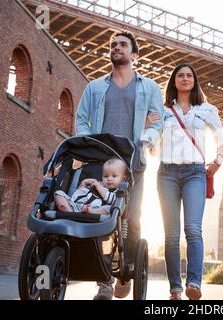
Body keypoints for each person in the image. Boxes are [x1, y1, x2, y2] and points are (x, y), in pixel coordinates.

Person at [75, 30, 164, 300]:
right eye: (113, 45)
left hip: (133, 162)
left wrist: (146, 140)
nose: (116, 48)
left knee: (132, 219)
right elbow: (81, 120)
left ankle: (128, 270)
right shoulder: (95, 87)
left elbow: (158, 120)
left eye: (123, 45)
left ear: (134, 55)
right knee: (99, 217)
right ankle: (104, 281)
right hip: (101, 163)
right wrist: (86, 142)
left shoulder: (149, 88)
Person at [149, 63, 223, 300]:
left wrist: (218, 160)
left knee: (193, 229)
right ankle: (175, 288)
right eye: (180, 75)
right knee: (171, 235)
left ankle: (194, 282)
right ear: (174, 81)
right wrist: (149, 134)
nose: (184, 78)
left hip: (195, 173)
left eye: (189, 75)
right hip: (166, 174)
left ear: (194, 81)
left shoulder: (206, 109)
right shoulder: (162, 112)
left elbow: (222, 137)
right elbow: (152, 146)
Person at [54, 158, 127, 215]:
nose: (109, 179)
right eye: (105, 176)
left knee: (111, 208)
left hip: (95, 210)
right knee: (58, 193)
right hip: (77, 207)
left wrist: (99, 188)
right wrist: (82, 186)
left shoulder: (119, 191)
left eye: (114, 176)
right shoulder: (97, 184)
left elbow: (113, 200)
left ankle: (88, 212)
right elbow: (78, 195)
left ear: (123, 179)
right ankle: (69, 212)